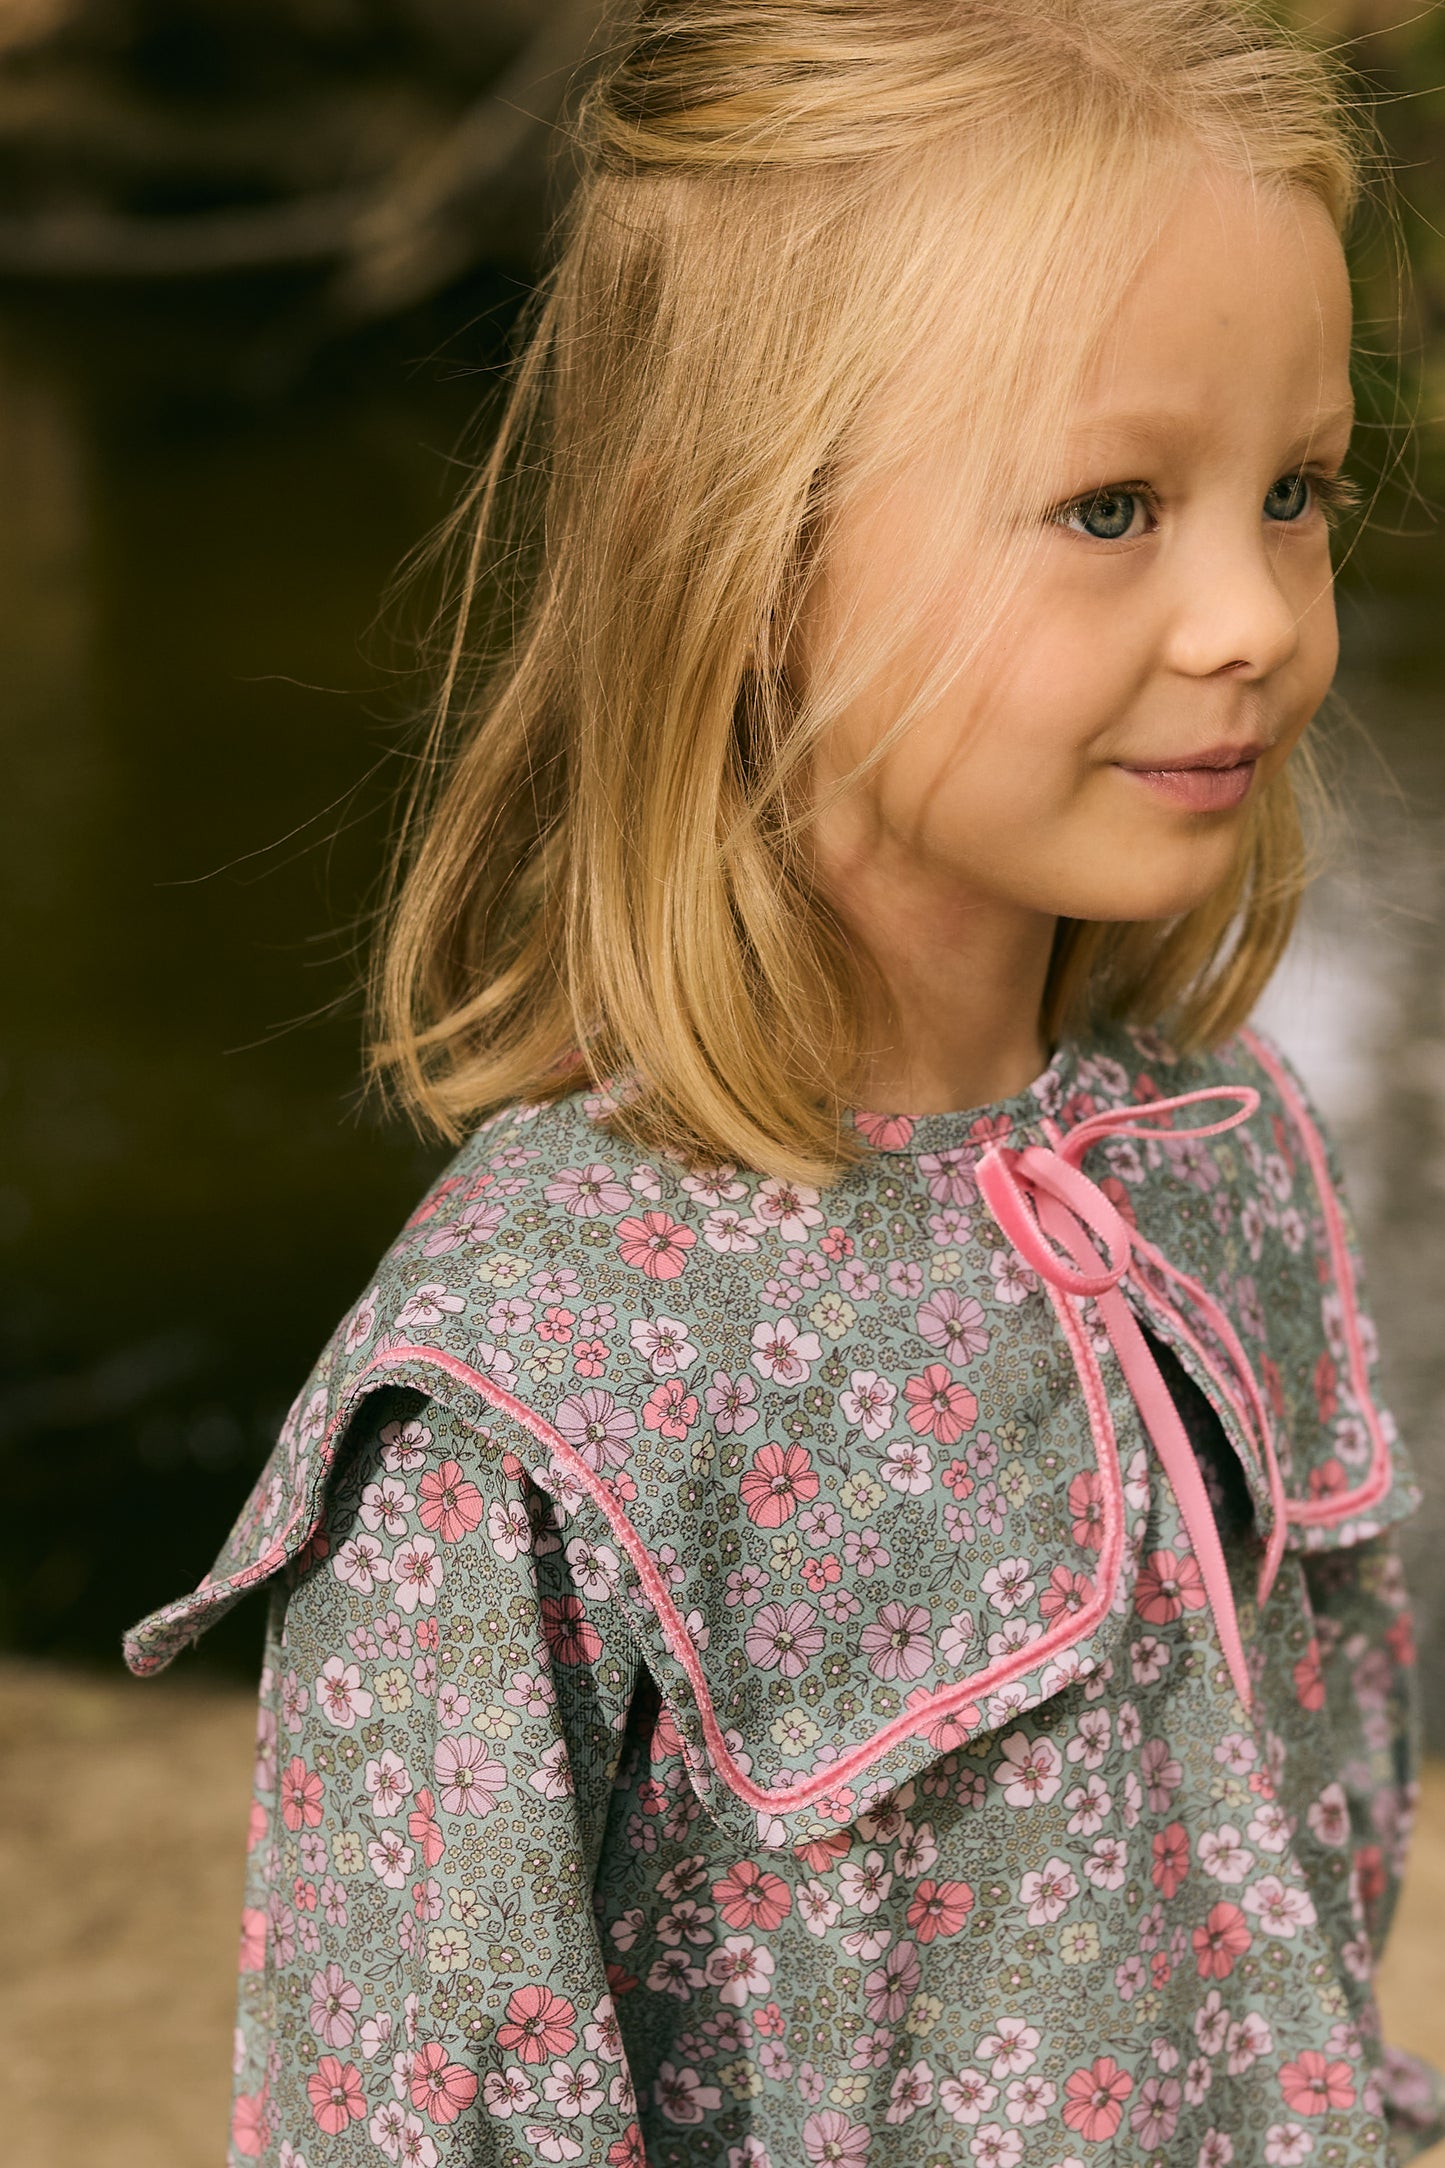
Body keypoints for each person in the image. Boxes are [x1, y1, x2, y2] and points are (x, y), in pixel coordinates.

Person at [126, 3, 1445, 2162]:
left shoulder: (1221, 1175)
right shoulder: (533, 1405)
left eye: (1295, 490)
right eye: (1112, 505)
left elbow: (1300, 1899)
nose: (1255, 617)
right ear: (741, 550)